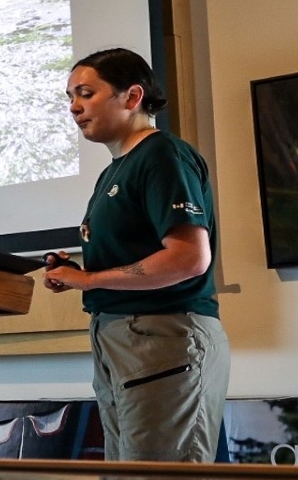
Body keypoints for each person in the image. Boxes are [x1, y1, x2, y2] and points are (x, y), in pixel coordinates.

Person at [42, 47, 228, 462]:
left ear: (131, 97)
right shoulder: (114, 170)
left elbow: (187, 259)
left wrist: (88, 280)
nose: (74, 107)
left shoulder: (163, 154)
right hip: (119, 337)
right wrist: (77, 271)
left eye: (86, 93)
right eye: (70, 96)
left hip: (164, 337)